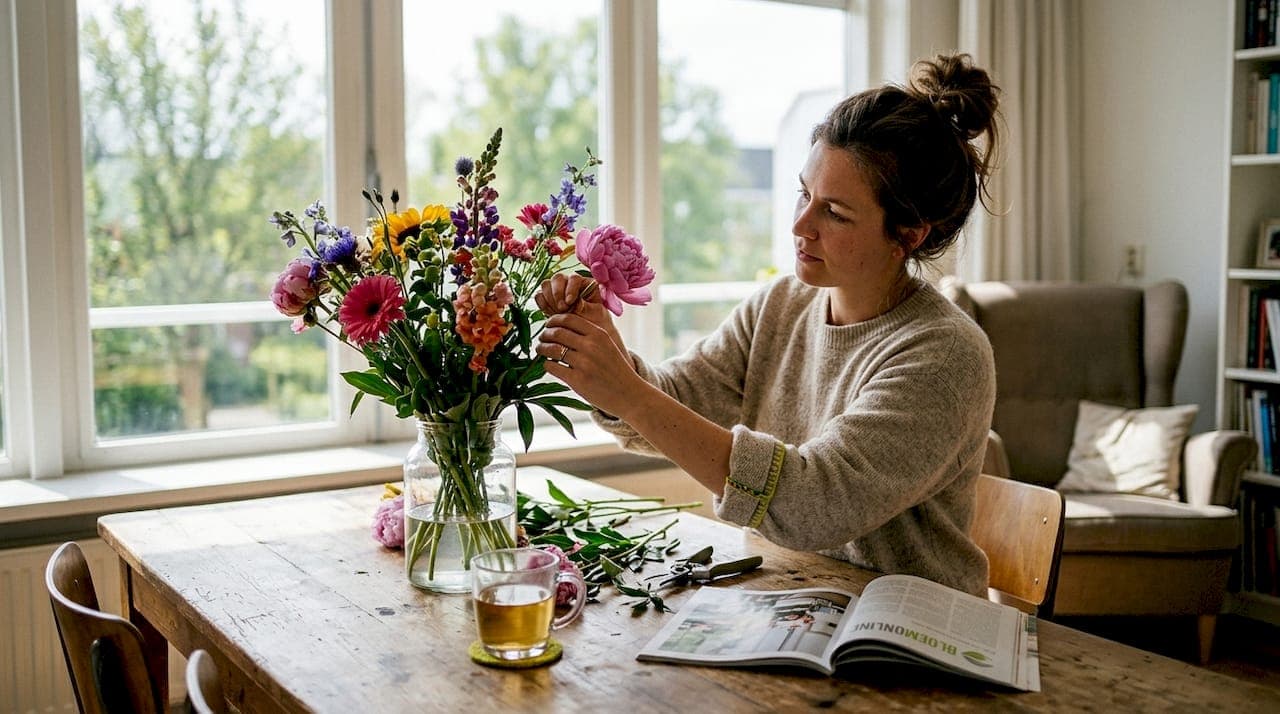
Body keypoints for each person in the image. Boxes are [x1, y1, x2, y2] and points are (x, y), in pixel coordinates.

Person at [534, 53, 1001, 596]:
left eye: (835, 212)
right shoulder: (780, 304)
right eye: (805, 193)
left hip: (912, 636)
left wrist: (630, 393)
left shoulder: (945, 356)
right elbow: (675, 403)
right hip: (793, 601)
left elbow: (812, 506)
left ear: (909, 234)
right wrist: (606, 351)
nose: (801, 225)